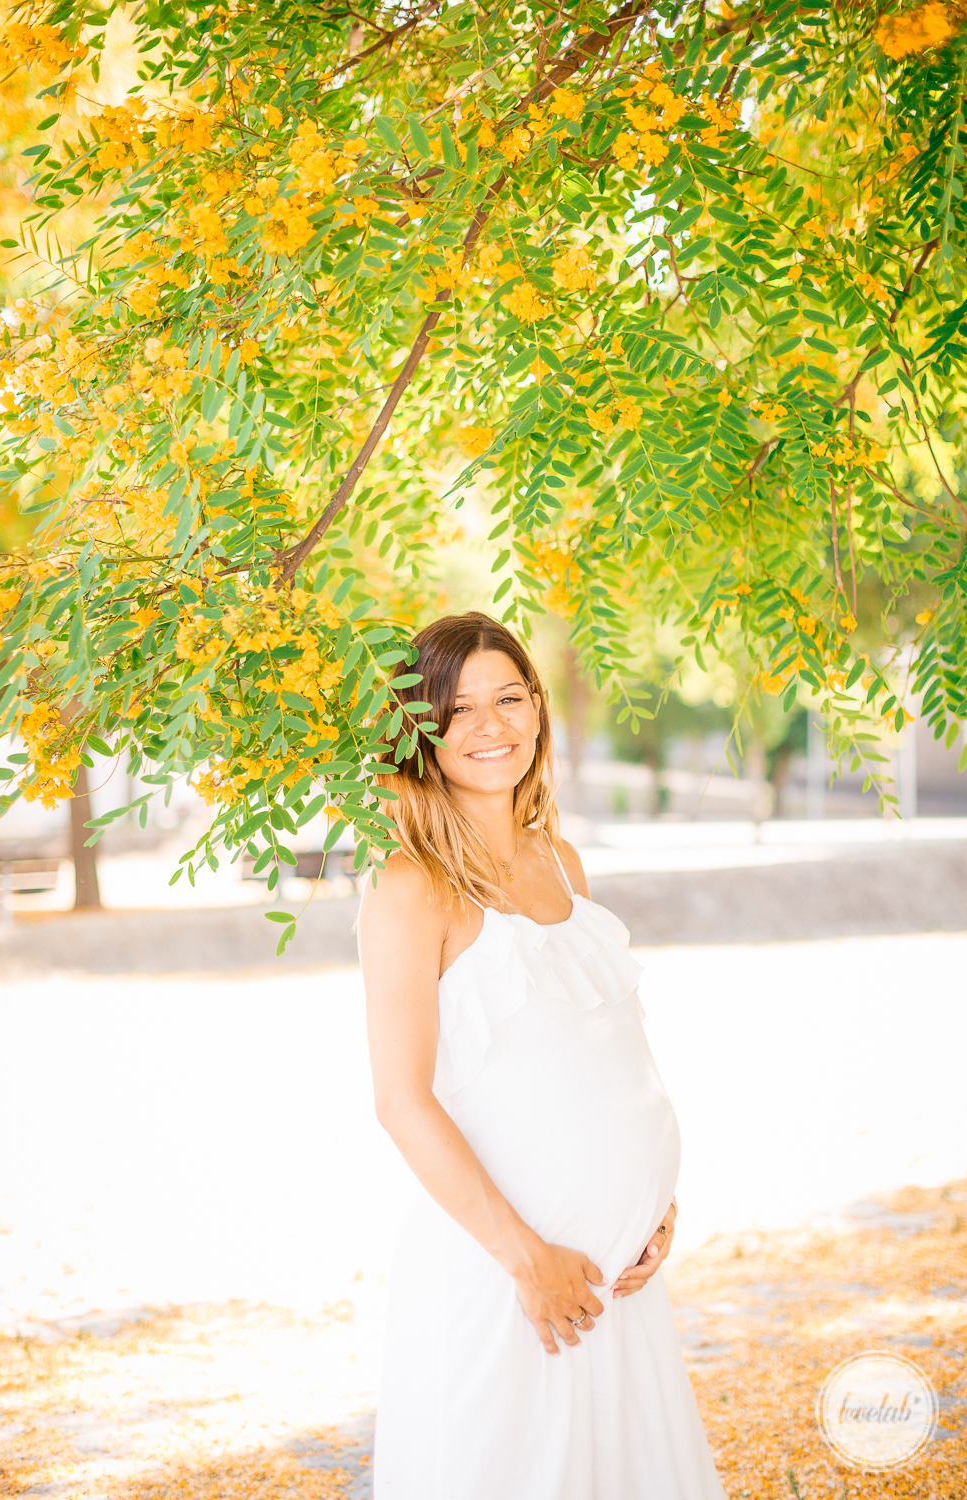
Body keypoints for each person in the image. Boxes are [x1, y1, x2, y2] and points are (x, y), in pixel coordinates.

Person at [358, 612, 727, 1500]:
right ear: (418, 730)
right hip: (509, 1279)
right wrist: (528, 1260)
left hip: (616, 1280)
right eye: (457, 709)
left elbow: (606, 1052)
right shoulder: (411, 886)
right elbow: (401, 1102)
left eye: (508, 698)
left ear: (538, 708)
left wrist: (656, 1202)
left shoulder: (560, 861)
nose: (489, 726)